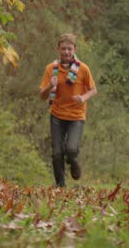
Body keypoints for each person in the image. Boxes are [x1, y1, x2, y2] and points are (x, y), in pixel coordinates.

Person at [39, 33, 97, 188]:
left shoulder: (83, 69)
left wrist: (83, 98)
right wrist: (50, 86)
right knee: (57, 152)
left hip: (77, 116)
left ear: (74, 49)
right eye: (63, 48)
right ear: (58, 49)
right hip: (57, 115)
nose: (66, 52)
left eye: (69, 49)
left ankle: (74, 162)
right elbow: (42, 96)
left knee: (71, 149)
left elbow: (93, 90)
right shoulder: (51, 69)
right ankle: (60, 186)